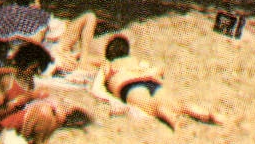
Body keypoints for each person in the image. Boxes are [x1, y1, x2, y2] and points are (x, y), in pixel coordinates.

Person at [92, 34, 222, 129]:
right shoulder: (135, 61)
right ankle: (207, 114)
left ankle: (172, 120)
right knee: (179, 104)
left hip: (128, 84)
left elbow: (96, 89)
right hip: (150, 80)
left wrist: (112, 99)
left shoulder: (108, 65)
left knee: (152, 106)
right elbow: (155, 69)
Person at [0, 42, 82, 144]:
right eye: (34, 69)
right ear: (25, 63)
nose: (35, 73)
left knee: (55, 112)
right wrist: (23, 99)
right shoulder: (7, 80)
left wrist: (52, 103)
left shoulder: (29, 81)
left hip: (19, 121)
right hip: (4, 125)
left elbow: (29, 105)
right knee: (44, 110)